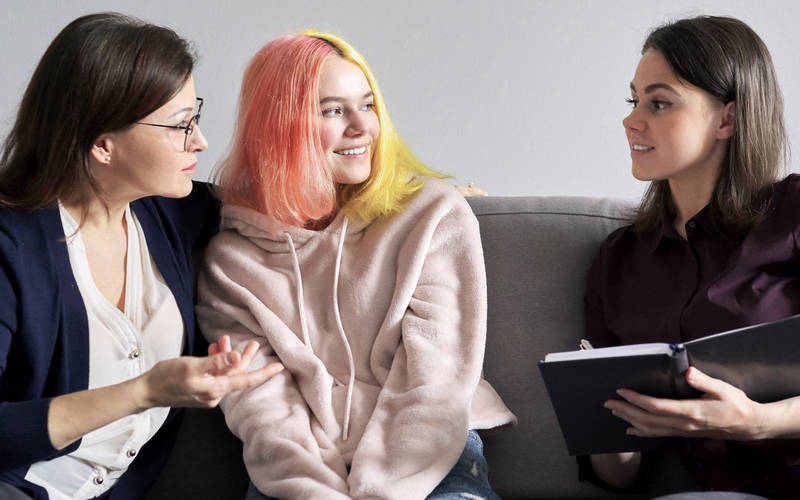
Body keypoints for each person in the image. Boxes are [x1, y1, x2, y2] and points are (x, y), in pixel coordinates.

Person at [196, 31, 516, 499]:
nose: (362, 127)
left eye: (367, 105)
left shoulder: (431, 215)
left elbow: (435, 378)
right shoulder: (232, 263)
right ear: (280, 125)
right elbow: (264, 408)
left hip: (430, 455)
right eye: (331, 110)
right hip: (300, 469)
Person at [0, 13, 284, 499]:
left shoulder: (165, 212)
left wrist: (418, 196)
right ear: (104, 145)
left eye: (195, 115)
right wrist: (144, 392)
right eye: (179, 125)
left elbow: (281, 198)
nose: (200, 140)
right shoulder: (12, 248)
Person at [584, 15, 800, 499]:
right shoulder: (618, 261)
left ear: (729, 118)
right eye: (633, 100)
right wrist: (609, 428)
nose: (631, 119)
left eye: (659, 102)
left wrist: (760, 422)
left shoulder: (792, 214)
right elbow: (619, 475)